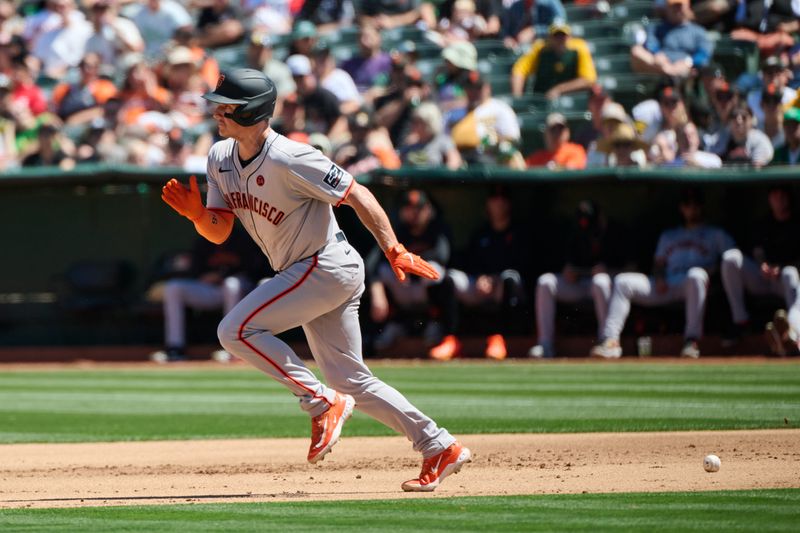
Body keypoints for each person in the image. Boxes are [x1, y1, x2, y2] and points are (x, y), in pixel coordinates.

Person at [160, 68, 470, 491]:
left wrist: (393, 247)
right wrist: (198, 215)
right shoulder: (218, 158)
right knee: (352, 381)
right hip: (308, 271)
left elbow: (358, 194)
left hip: (325, 264)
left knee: (234, 330)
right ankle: (438, 445)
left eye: (226, 106)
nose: (217, 112)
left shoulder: (291, 156)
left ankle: (319, 400)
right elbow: (219, 230)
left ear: (250, 112)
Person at [591, 188, 735, 359]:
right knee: (623, 281)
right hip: (669, 281)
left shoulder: (716, 234)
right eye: (688, 205)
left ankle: (692, 340)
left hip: (696, 284)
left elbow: (729, 262)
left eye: (696, 205)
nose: (692, 209)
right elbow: (658, 264)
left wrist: (712, 272)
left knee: (696, 275)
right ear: (682, 208)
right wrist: (659, 278)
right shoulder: (670, 235)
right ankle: (611, 341)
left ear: (702, 207)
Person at [369, 189, 461, 361]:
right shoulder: (397, 232)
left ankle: (438, 326)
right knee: (383, 271)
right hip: (404, 288)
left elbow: (442, 256)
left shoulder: (437, 229)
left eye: (419, 208)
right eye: (410, 208)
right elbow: (372, 263)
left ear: (428, 209)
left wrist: (411, 264)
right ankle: (395, 324)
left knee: (436, 271)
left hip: (425, 290)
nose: (415, 212)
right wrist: (376, 290)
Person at [147, 227, 262, 363]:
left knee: (232, 284)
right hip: (211, 290)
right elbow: (194, 269)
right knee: (174, 287)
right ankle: (175, 347)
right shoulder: (204, 238)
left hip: (240, 290)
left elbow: (254, 269)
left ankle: (233, 348)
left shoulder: (243, 238)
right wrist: (204, 276)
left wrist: (222, 275)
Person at [529, 201, 623, 359]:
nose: (585, 224)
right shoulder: (574, 232)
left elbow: (632, 267)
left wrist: (608, 270)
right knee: (546, 282)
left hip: (604, 287)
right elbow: (561, 263)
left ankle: (607, 340)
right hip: (578, 284)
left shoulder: (614, 233)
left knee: (600, 281)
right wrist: (566, 270)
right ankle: (545, 344)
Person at [447, 187, 529, 360]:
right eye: (494, 198)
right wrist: (479, 277)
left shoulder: (519, 232)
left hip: (504, 287)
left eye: (502, 198)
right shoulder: (481, 233)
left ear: (509, 204)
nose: (498, 202)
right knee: (451, 278)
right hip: (480, 285)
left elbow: (523, 265)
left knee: (509, 278)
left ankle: (499, 339)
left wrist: (494, 278)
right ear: (487, 204)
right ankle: (451, 339)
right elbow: (469, 261)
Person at [721, 185, 800, 356]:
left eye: (782, 194)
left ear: (789, 197)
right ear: (769, 198)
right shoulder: (763, 224)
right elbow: (757, 251)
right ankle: (741, 322)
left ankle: (792, 332)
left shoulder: (796, 223)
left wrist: (781, 268)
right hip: (762, 278)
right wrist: (762, 264)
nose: (778, 198)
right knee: (731, 258)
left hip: (787, 281)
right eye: (775, 194)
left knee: (790, 273)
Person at [450, 71, 522, 167]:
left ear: (487, 88)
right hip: (463, 159)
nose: (474, 92)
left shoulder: (500, 108)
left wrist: (494, 140)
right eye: (469, 88)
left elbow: (513, 138)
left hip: (493, 160)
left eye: (478, 88)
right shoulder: (457, 112)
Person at [511, 21, 597, 99]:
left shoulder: (579, 48)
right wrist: (517, 98)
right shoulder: (540, 48)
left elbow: (589, 80)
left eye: (563, 35)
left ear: (569, 37)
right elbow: (519, 70)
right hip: (542, 100)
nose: (560, 39)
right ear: (549, 37)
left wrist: (559, 89)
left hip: (571, 100)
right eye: (556, 35)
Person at [630, 0, 713, 78]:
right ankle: (669, 74)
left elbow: (704, 52)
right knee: (636, 50)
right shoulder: (657, 28)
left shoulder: (698, 31)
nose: (677, 10)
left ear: (687, 6)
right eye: (674, 6)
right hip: (660, 66)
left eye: (680, 6)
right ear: (667, 8)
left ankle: (672, 75)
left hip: (687, 70)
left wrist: (688, 62)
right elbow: (650, 43)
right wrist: (657, 54)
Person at [398, 101, 462, 169]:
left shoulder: (443, 141)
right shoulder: (410, 143)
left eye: (418, 122)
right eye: (413, 121)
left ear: (429, 123)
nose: (413, 125)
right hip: (413, 179)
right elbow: (398, 162)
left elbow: (455, 162)